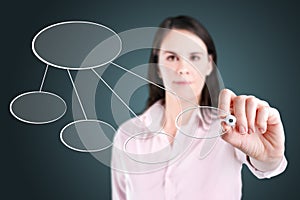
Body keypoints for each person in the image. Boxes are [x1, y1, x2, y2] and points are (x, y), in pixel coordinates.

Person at [111, 15, 287, 200]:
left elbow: (267, 164)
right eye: (171, 57)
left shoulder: (229, 127)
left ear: (209, 65)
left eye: (194, 57)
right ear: (157, 67)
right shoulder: (127, 135)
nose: (182, 68)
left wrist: (270, 158)